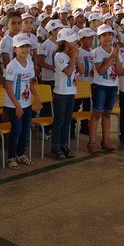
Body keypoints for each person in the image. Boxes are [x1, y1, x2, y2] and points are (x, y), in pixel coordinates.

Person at [3, 33, 41, 168]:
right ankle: (11, 157)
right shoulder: (12, 66)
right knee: (16, 130)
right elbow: (8, 87)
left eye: (27, 46)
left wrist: (36, 97)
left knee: (25, 130)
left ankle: (20, 153)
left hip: (27, 103)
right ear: (15, 49)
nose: (25, 49)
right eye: (21, 47)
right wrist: (17, 106)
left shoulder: (29, 63)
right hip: (14, 105)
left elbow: (30, 83)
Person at [88, 25, 119, 155]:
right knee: (96, 114)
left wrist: (116, 57)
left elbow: (119, 69)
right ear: (99, 38)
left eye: (110, 35)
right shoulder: (97, 52)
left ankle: (105, 140)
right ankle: (92, 142)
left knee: (107, 113)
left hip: (112, 86)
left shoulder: (115, 51)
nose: (107, 38)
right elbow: (100, 71)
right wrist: (112, 57)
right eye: (104, 35)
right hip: (100, 86)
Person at [50, 28, 81, 159]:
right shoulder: (59, 56)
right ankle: (56, 145)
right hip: (61, 93)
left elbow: (82, 70)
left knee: (68, 120)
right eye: (73, 40)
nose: (76, 42)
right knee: (59, 120)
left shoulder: (71, 56)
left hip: (71, 92)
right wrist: (73, 56)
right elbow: (68, 72)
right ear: (66, 43)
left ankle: (65, 144)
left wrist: (76, 57)